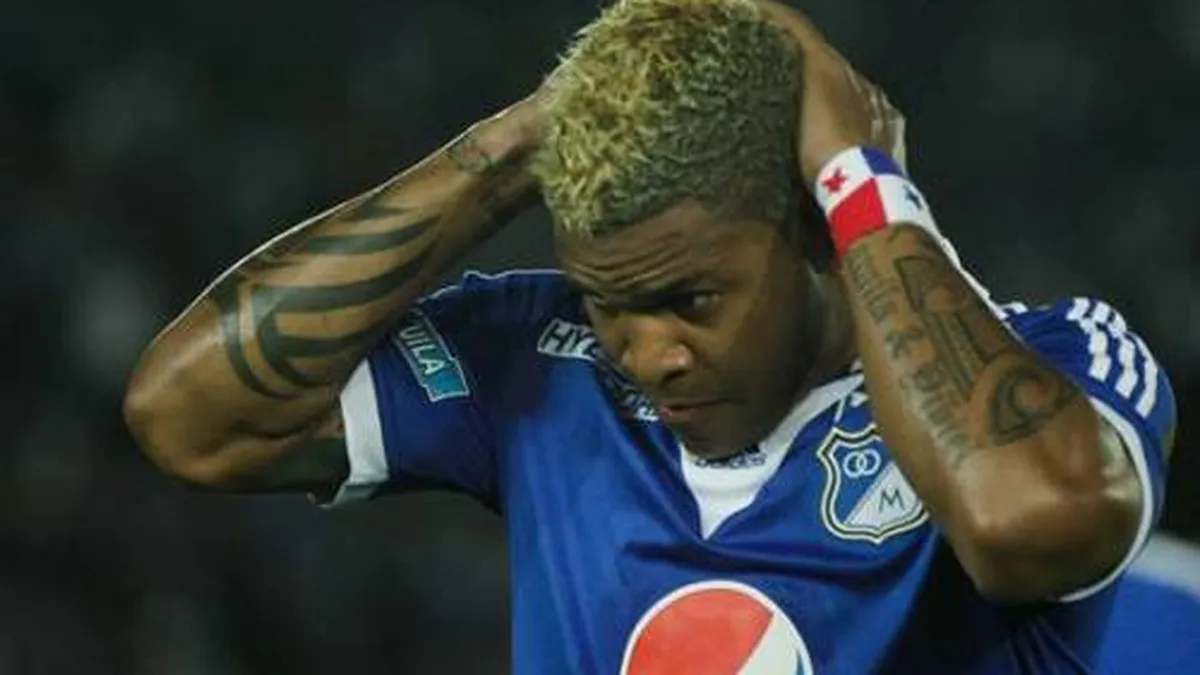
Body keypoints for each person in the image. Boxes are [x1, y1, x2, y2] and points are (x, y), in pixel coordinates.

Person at [124, 0, 1178, 672]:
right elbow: (188, 418)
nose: (648, 355)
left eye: (693, 300)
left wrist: (860, 184)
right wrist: (513, 150)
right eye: (608, 303)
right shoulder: (538, 363)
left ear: (809, 223)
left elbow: (1022, 521)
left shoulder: (1060, 363)